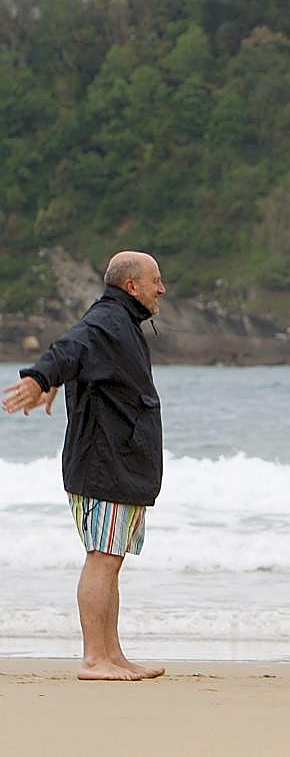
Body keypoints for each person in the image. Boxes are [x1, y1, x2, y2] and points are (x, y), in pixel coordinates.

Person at [2, 251, 168, 681]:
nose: (161, 289)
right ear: (132, 286)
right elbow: (70, 348)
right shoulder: (108, 321)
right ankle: (95, 659)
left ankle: (113, 654)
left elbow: (81, 362)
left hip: (120, 464)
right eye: (155, 281)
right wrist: (41, 377)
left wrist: (59, 380)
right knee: (101, 558)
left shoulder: (121, 325)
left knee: (110, 559)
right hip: (103, 465)